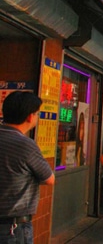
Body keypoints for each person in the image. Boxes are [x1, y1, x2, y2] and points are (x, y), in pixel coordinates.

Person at [0, 91, 55, 244]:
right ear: (30, 116)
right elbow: (49, 179)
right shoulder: (25, 145)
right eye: (37, 114)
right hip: (13, 226)